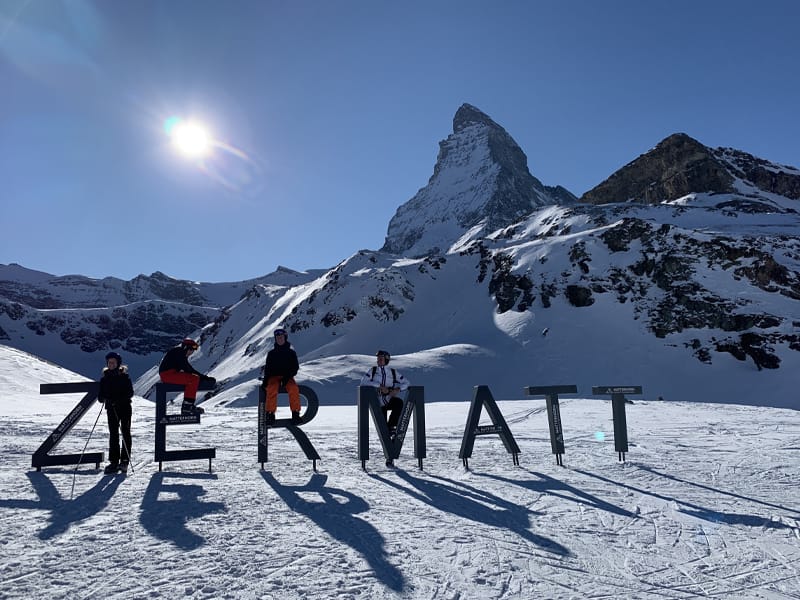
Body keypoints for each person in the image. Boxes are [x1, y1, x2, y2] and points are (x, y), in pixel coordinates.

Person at [98, 351, 134, 474]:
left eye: (113, 362)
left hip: (124, 408)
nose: (111, 364)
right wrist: (103, 398)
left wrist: (117, 400)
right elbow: (100, 395)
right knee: (113, 434)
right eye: (109, 362)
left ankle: (124, 461)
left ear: (118, 364)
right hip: (111, 409)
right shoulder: (105, 378)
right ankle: (113, 462)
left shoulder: (124, 377)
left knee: (125, 433)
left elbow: (130, 393)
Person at [159, 338, 215, 415]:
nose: (191, 353)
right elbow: (187, 368)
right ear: (186, 348)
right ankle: (187, 407)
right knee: (193, 379)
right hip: (168, 375)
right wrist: (204, 378)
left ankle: (188, 407)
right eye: (191, 350)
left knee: (193, 378)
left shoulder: (178, 352)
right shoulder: (179, 353)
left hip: (169, 374)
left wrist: (202, 377)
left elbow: (187, 368)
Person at [359, 350, 409, 436]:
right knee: (383, 430)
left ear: (386, 360)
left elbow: (406, 383)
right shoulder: (373, 370)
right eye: (378, 358)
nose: (378, 360)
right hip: (377, 402)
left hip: (388, 399)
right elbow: (363, 382)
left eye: (381, 359)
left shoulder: (393, 372)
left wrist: (398, 389)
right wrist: (379, 386)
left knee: (399, 403)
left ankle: (392, 426)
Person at [262, 328, 301, 424]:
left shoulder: (291, 353)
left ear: (285, 338)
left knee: (293, 388)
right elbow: (268, 368)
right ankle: (270, 414)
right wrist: (265, 381)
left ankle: (295, 413)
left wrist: (287, 377)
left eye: (281, 337)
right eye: (278, 337)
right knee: (271, 388)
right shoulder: (271, 354)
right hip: (273, 377)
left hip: (288, 376)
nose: (279, 339)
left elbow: (295, 368)